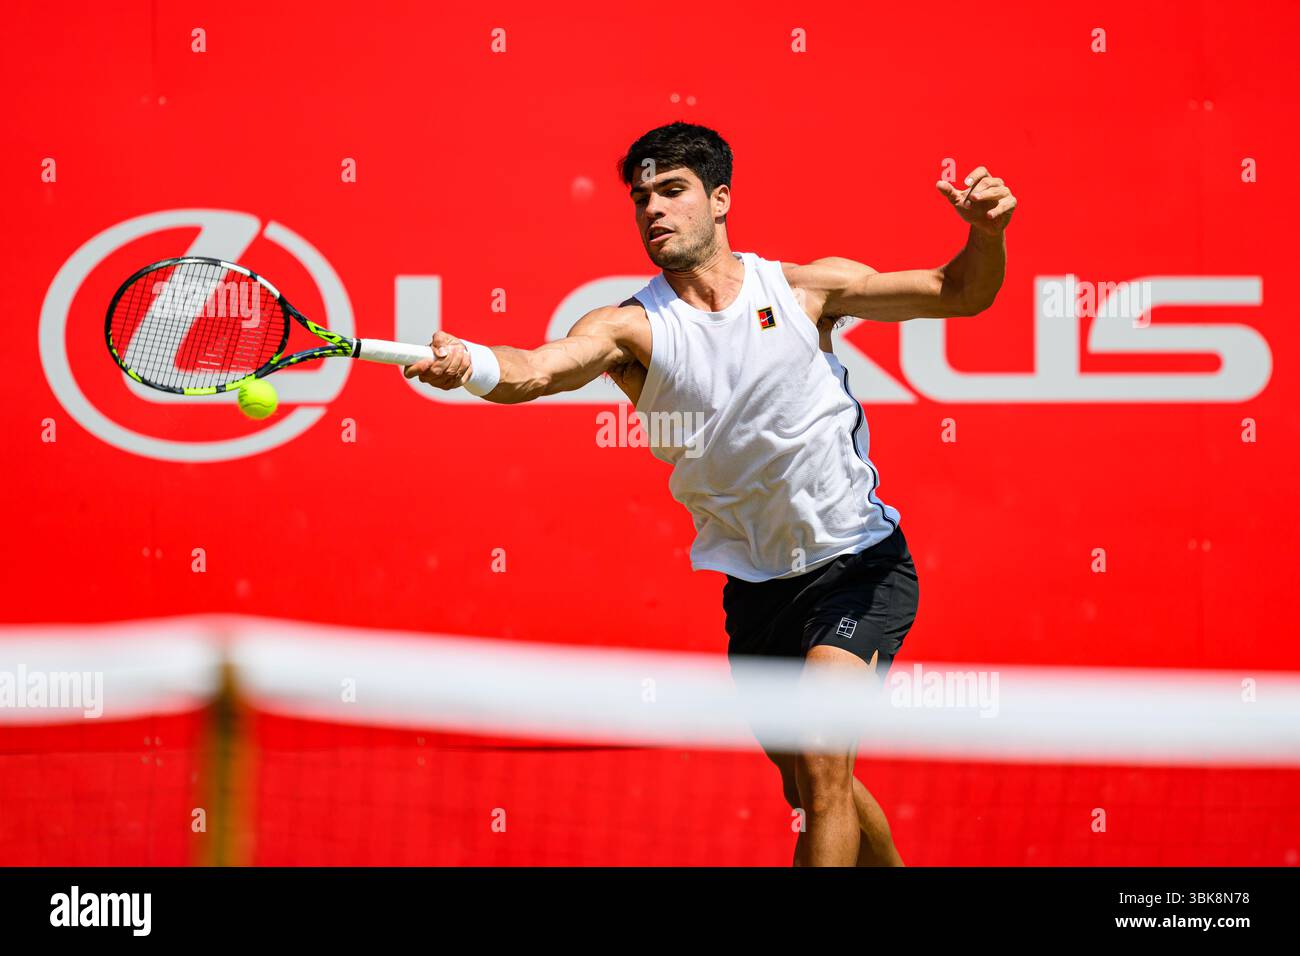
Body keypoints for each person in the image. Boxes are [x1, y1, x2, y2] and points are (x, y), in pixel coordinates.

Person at [405, 121, 1015, 866]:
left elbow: (959, 293)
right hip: (757, 592)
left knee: (823, 765)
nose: (653, 210)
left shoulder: (803, 291)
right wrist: (469, 363)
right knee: (814, 787)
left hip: (857, 563)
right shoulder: (629, 328)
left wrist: (987, 235)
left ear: (720, 199)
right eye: (641, 198)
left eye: (672, 191)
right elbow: (535, 369)